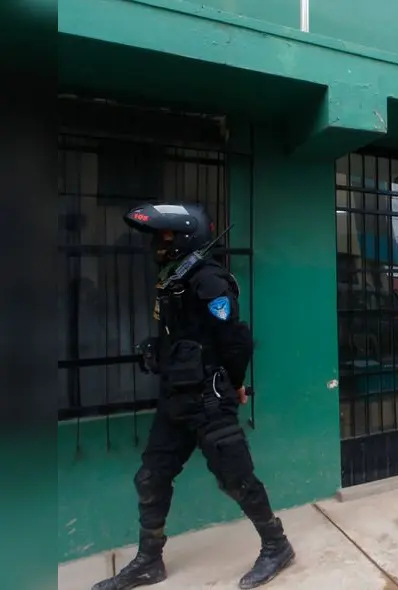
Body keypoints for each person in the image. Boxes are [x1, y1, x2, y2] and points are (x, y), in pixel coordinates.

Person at [92, 203, 294, 590]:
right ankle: (149, 561)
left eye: (165, 235)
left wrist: (235, 382)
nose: (157, 243)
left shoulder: (209, 280)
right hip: (175, 398)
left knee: (236, 478)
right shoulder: (173, 278)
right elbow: (183, 334)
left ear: (187, 236)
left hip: (208, 397)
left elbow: (236, 340)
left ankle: (276, 544)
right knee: (150, 478)